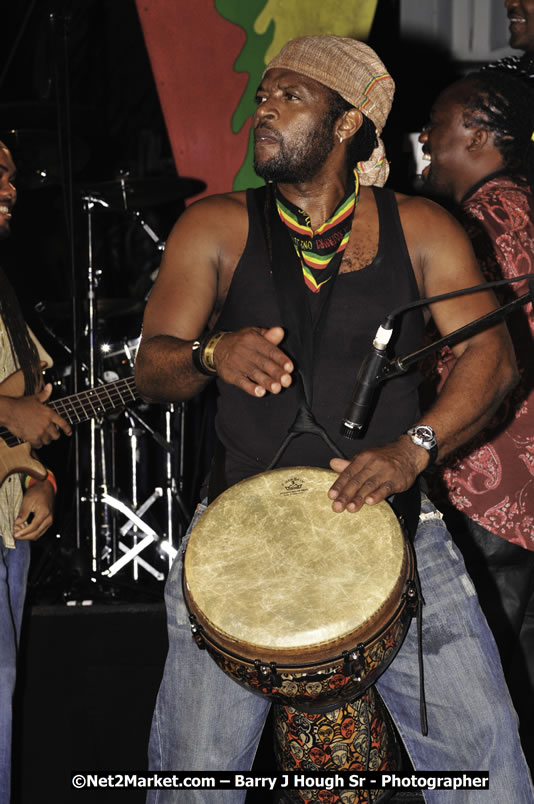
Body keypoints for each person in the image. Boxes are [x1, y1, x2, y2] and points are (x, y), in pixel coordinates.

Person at [135, 36, 534, 802]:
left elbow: (495, 359)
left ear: (348, 122)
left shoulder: (421, 227)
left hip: (399, 529)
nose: (266, 109)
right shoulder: (214, 226)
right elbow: (154, 365)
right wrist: (214, 352)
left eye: (290, 96)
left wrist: (415, 449)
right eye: (263, 97)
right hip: (237, 538)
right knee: (193, 779)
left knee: (489, 772)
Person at [419, 69, 534, 771]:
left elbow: (464, 354)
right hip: (517, 480)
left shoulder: (483, 219)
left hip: (486, 477)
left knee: (475, 677)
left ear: (480, 135)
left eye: (439, 122)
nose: (426, 137)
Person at [0, 141, 71, 802]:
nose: (9, 186)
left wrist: (40, 483)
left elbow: (30, 413)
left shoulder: (5, 293)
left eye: (12, 175)